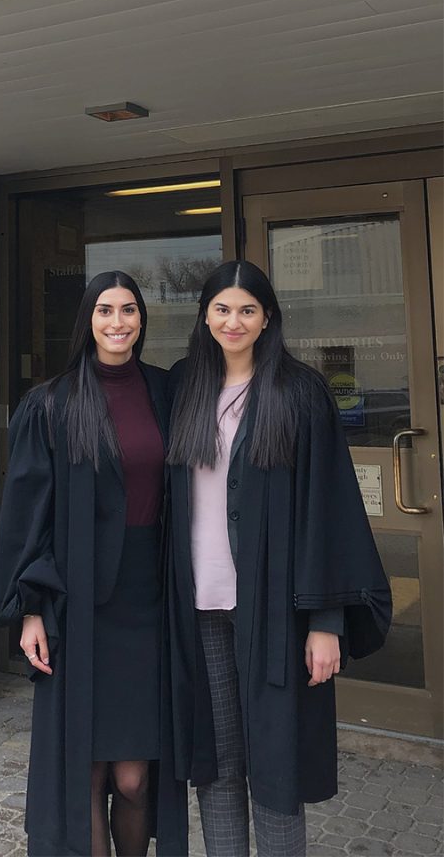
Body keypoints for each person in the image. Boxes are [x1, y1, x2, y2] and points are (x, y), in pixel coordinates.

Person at [165, 260, 392, 857]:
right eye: (221, 309)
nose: (232, 321)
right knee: (216, 760)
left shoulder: (299, 391)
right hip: (201, 606)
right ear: (204, 315)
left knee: (275, 766)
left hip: (278, 611)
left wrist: (325, 622)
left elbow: (330, 509)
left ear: (267, 318)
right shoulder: (184, 384)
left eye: (246, 309)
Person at [0, 271, 185, 857]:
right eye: (105, 311)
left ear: (142, 319)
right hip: (77, 604)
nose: (118, 322)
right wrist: (30, 610)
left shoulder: (165, 392)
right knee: (88, 771)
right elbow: (27, 516)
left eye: (128, 310)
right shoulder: (51, 403)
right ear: (88, 321)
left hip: (151, 598)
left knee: (134, 776)